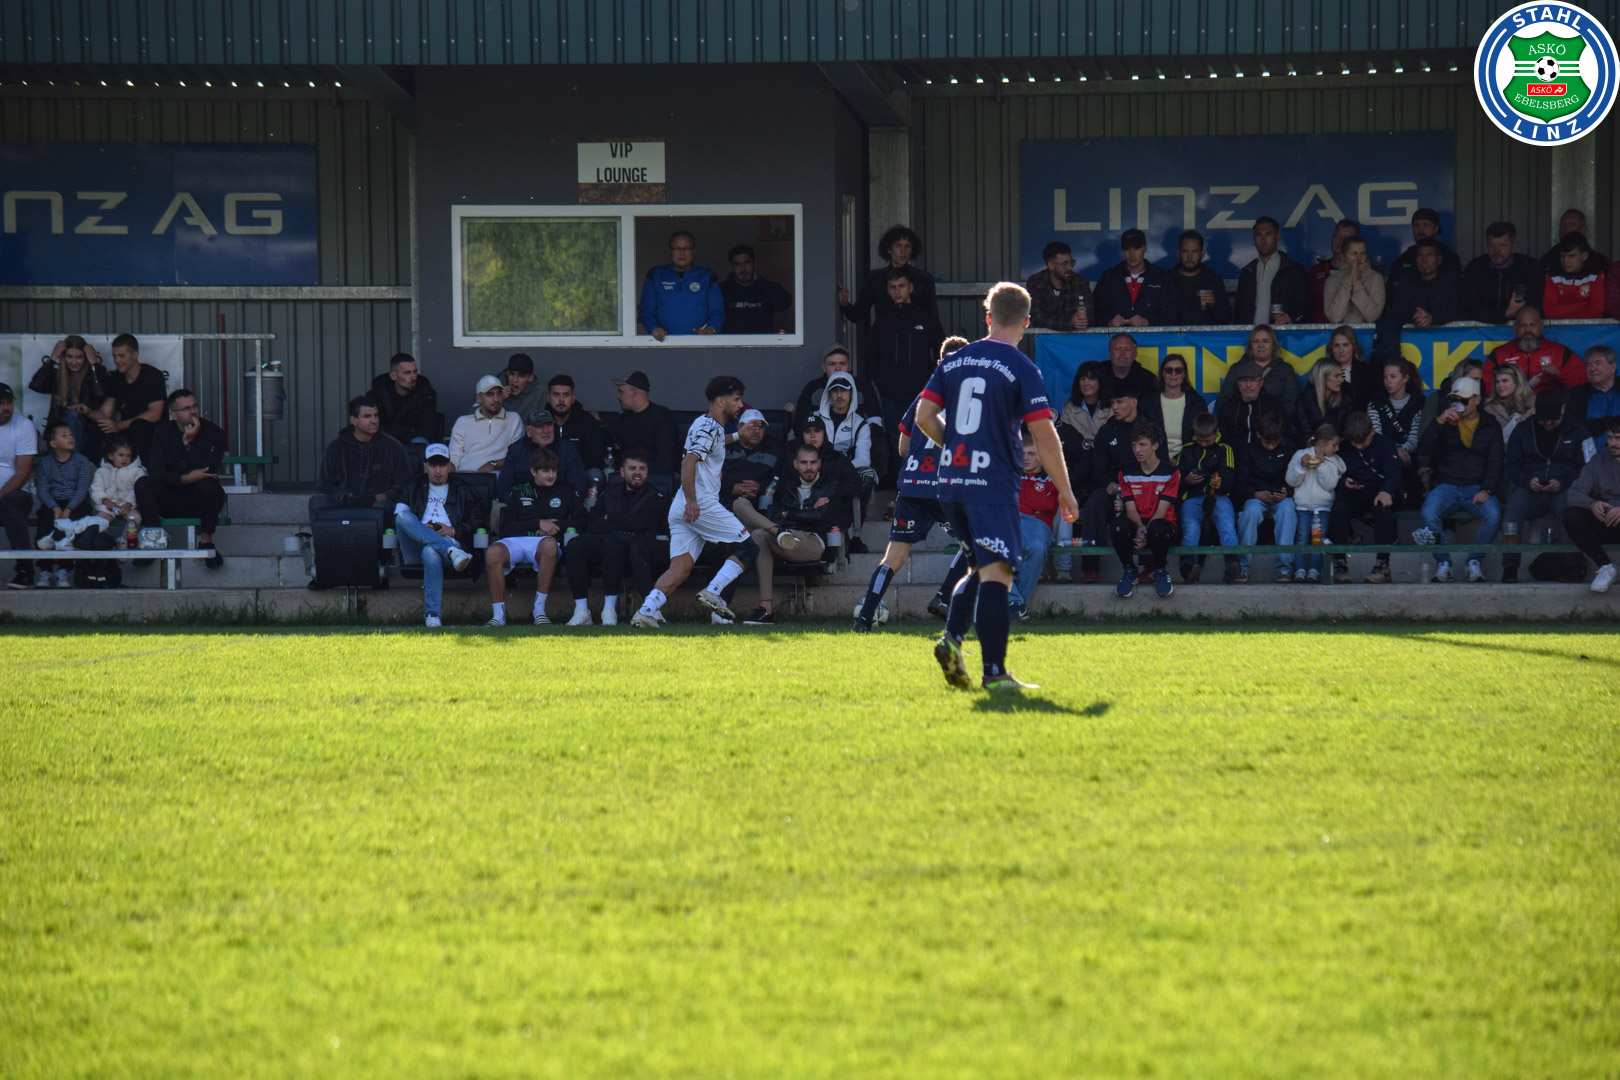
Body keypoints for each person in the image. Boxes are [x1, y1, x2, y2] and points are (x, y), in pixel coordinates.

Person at [913, 282, 1077, 691]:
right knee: (998, 575)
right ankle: (995, 674)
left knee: (979, 567)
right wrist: (1066, 490)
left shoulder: (955, 361)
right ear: (1026, 321)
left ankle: (951, 640)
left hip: (952, 482)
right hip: (991, 485)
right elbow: (1044, 436)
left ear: (987, 317)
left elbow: (924, 416)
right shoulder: (1022, 367)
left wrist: (957, 447)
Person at [854, 337, 975, 632]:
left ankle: (864, 617)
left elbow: (903, 448)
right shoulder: (971, 398)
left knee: (894, 557)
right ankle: (943, 597)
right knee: (976, 541)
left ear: (939, 362)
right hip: (945, 485)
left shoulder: (925, 395)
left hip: (911, 485)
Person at [632, 376, 759, 628]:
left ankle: (646, 611)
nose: (740, 405)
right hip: (699, 505)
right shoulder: (710, 427)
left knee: (679, 568)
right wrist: (693, 501)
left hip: (682, 507)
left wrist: (737, 435)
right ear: (720, 401)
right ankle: (714, 591)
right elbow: (688, 462)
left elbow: (714, 443)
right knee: (748, 547)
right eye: (736, 400)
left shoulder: (705, 424)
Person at [741, 444, 851, 626]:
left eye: (813, 463)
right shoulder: (787, 487)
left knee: (760, 533)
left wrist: (789, 514)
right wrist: (807, 510)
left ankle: (777, 532)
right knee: (744, 512)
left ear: (819, 463)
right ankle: (766, 609)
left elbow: (820, 516)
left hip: (813, 540)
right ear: (795, 464)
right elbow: (773, 515)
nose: (809, 467)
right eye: (804, 463)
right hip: (786, 536)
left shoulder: (830, 485)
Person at [563, 449, 669, 626]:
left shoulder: (655, 495)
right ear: (622, 471)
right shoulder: (609, 492)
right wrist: (624, 521)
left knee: (613, 545)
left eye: (642, 468)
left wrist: (611, 518)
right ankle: (582, 610)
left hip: (634, 543)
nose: (637, 473)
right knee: (575, 545)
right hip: (604, 537)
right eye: (632, 468)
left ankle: (609, 609)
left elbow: (643, 524)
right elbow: (593, 523)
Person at [1413, 375, 1503, 583]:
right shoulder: (1446, 421)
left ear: (1477, 400)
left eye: (1463, 400)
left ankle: (1474, 561)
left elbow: (1496, 461)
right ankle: (1444, 563)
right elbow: (1423, 449)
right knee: (1428, 512)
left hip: (1477, 485)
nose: (1458, 404)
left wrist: (1487, 489)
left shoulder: (1490, 424)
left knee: (1494, 514)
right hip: (1448, 484)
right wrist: (1439, 422)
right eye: (1454, 399)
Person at [486, 448, 587, 626]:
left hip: (547, 544)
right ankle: (498, 616)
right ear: (533, 471)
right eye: (545, 470)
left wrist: (556, 526)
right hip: (517, 540)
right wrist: (538, 524)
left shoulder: (565, 490)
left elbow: (584, 521)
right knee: (493, 552)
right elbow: (507, 527)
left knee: (549, 544)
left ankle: (538, 611)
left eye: (554, 470)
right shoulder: (519, 490)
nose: (551, 475)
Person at [133, 388, 228, 568]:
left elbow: (209, 470)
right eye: (186, 409)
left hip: (198, 498)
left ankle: (206, 541)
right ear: (174, 415)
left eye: (194, 406)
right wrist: (183, 479)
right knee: (143, 484)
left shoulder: (214, 433)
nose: (193, 412)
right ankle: (154, 539)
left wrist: (189, 443)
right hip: (170, 495)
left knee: (209, 485)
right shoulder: (162, 432)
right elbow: (156, 471)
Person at [389, 443, 481, 628]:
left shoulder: (463, 489)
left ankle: (432, 615)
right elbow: (398, 519)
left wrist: (453, 530)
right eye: (433, 465)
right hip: (415, 546)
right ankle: (450, 551)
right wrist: (421, 528)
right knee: (403, 516)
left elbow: (478, 518)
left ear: (449, 466)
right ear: (425, 465)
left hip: (450, 539)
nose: (438, 470)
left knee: (430, 551)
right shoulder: (412, 486)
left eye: (442, 465)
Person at [1502, 388, 1587, 583]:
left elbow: (1587, 466)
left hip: (1565, 487)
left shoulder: (1578, 429)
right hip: (1531, 488)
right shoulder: (1523, 430)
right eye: (1543, 419)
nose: (1548, 423)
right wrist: (1527, 481)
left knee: (1570, 511)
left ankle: (1573, 564)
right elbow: (1512, 465)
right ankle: (1510, 566)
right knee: (1512, 511)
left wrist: (1564, 482)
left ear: (1563, 409)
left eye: (1553, 419)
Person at [867, 267, 946, 435]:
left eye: (901, 286)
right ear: (888, 290)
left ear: (910, 287)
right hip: (890, 395)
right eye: (893, 287)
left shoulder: (925, 318)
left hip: (921, 393)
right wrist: (881, 381)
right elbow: (871, 354)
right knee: (896, 442)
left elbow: (941, 349)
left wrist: (930, 379)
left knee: (923, 439)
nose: (897, 291)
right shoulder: (882, 321)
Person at [1330, 412, 1403, 583]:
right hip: (1354, 491)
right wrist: (1343, 483)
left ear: (1372, 432)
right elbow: (1333, 472)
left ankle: (1382, 564)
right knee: (1338, 508)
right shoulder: (1345, 447)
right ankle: (1340, 562)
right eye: (1354, 442)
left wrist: (1386, 491)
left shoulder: (1386, 444)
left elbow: (1394, 475)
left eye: (1362, 442)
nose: (1358, 446)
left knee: (1383, 508)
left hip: (1379, 490)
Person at [1110, 421, 1180, 598]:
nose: (1137, 450)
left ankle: (1160, 571)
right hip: (1138, 523)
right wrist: (1140, 527)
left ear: (1155, 445)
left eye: (1142, 444)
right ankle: (1129, 570)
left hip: (1162, 525)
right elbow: (1130, 510)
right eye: (1134, 445)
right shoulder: (1126, 472)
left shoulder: (1171, 473)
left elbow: (1162, 511)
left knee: (1158, 529)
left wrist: (1145, 532)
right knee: (1118, 526)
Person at [310, 395, 412, 514]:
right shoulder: (336, 448)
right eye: (367, 416)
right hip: (344, 503)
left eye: (376, 415)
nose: (374, 421)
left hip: (378, 503)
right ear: (354, 420)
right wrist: (341, 496)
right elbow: (325, 484)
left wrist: (384, 496)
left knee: (383, 506)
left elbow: (404, 482)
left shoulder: (393, 447)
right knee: (318, 501)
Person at [1175, 412, 1240, 584]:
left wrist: (1220, 484)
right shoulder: (1187, 449)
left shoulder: (1225, 449)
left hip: (1219, 496)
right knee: (1191, 529)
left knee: (1227, 526)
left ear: (1216, 432)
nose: (1203, 444)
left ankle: (1232, 564)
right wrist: (1187, 480)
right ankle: (1188, 567)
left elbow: (1230, 477)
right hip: (1192, 497)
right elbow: (1176, 478)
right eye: (1200, 440)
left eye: (1207, 441)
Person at [30, 420, 95, 588]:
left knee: (70, 529)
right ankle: (45, 570)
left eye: (71, 435)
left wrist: (68, 509)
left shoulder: (81, 461)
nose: (70, 438)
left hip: (76, 503)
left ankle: (64, 569)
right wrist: (55, 507)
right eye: (64, 436)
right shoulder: (46, 463)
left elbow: (82, 489)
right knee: (45, 525)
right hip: (53, 503)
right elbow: (42, 489)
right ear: (53, 443)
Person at [1235, 412, 1298, 584]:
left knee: (1288, 510)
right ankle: (1243, 567)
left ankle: (1284, 568)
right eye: (1267, 442)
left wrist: (1288, 492)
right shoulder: (1248, 450)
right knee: (1250, 512)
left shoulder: (1289, 448)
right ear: (1258, 435)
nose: (1270, 447)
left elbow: (1298, 478)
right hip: (1256, 496)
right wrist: (1254, 493)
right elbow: (1239, 483)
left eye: (1274, 443)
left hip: (1282, 497)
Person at [838, 225, 938, 330]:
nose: (903, 251)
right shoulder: (875, 279)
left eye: (907, 246)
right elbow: (857, 315)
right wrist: (845, 304)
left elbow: (933, 320)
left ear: (912, 250)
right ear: (889, 249)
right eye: (898, 246)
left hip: (916, 337)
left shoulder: (923, 279)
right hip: (885, 337)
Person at [1561, 417, 1620, 592]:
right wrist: (1592, 504)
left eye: (1618, 438)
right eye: (1610, 438)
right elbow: (1575, 492)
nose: (1613, 443)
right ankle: (1605, 566)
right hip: (1605, 519)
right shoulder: (1598, 461)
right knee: (1572, 516)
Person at [1007, 436, 1060, 619]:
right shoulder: (1009, 473)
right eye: (1022, 453)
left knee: (1037, 547)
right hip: (1009, 520)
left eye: (1031, 454)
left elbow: (1046, 504)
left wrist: (1021, 501)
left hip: (1037, 523)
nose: (1025, 458)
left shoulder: (1053, 477)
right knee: (988, 545)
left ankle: (1016, 603)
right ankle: (1016, 603)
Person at [1285, 423, 1345, 583]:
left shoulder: (1333, 462)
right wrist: (1301, 467)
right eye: (1334, 445)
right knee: (1302, 538)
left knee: (1319, 540)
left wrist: (1322, 465)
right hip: (1302, 507)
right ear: (1322, 443)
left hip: (1323, 508)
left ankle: (1314, 571)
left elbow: (1330, 485)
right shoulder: (1300, 455)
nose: (1337, 449)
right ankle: (1300, 570)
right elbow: (1291, 481)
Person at [638, 230, 724, 339]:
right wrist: (653, 328)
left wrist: (712, 328)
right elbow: (646, 310)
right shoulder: (656, 274)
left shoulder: (707, 276)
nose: (682, 253)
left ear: (694, 251)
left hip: (700, 342)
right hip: (664, 343)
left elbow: (717, 310)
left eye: (686, 248)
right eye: (677, 248)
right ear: (670, 251)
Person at [37, 336, 109, 463]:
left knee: (72, 422)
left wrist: (93, 364)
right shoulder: (57, 375)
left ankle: (72, 466)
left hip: (86, 428)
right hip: (60, 428)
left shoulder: (93, 374)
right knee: (67, 423)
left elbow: (100, 392)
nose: (74, 362)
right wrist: (53, 357)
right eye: (69, 357)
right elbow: (37, 385)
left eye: (79, 357)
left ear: (85, 357)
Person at [94, 333, 166, 461]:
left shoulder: (152, 375)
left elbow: (155, 414)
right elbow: (105, 413)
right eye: (114, 356)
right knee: (100, 427)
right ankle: (103, 469)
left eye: (121, 356)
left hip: (151, 431)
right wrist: (86, 411)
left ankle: (144, 469)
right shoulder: (116, 377)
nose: (117, 361)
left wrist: (120, 426)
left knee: (138, 426)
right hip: (126, 429)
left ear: (135, 354)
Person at [604, 371, 680, 491]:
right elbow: (604, 440)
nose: (618, 397)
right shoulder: (621, 421)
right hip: (628, 482)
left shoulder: (662, 418)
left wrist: (638, 471)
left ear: (634, 392)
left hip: (657, 482)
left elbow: (666, 461)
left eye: (621, 391)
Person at [1485, 306, 1584, 395]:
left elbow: (1581, 377)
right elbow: (1487, 382)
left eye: (1532, 325)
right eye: (1523, 325)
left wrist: (1559, 374)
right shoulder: (1500, 353)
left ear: (1541, 326)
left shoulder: (1559, 352)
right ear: (1515, 327)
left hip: (1547, 406)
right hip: (1511, 406)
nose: (1528, 330)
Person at [1368, 357, 1427, 504]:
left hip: (1410, 460)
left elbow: (1415, 439)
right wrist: (1394, 451)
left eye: (1393, 377)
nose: (1388, 381)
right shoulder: (1375, 402)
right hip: (1382, 457)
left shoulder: (1418, 403)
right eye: (1385, 377)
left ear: (1405, 378)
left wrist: (1401, 451)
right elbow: (1375, 435)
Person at [1461, 221, 1543, 324]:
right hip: (1479, 332)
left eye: (1502, 245)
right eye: (1491, 245)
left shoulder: (1530, 268)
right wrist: (1505, 314)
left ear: (1513, 246)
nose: (1496, 251)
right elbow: (1468, 308)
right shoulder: (1474, 268)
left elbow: (1536, 307)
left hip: (1520, 330)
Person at [497, 408, 585, 503]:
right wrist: (523, 504)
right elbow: (504, 489)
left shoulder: (567, 449)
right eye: (540, 426)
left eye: (549, 425)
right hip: (524, 504)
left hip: (559, 504)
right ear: (528, 431)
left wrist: (560, 504)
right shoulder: (516, 450)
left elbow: (578, 486)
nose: (546, 431)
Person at [1093, 228, 1178, 327]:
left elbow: (1171, 314)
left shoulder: (1161, 277)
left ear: (1145, 247)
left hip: (1152, 337)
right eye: (1127, 249)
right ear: (1122, 250)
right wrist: (1109, 322)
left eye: (1137, 248)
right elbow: (1095, 313)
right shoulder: (1109, 278)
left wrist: (1148, 322)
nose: (1132, 254)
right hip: (1116, 337)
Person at [0, 383, 40, 589]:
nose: (5, 408)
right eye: (0, 403)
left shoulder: (23, 425)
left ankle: (25, 572)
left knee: (9, 502)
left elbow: (23, 472)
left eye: (8, 403)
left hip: (17, 494)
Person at [1234, 217, 1309, 325]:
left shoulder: (1294, 270)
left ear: (1278, 236)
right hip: (1251, 334)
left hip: (1282, 333)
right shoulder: (1247, 273)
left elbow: (1304, 306)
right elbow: (1238, 313)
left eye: (1268, 234)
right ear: (1254, 238)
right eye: (1258, 235)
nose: (1263, 240)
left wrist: (1291, 317)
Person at [1217, 328, 1299, 421]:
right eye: (1255, 341)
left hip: (1274, 426)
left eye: (1265, 341)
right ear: (1250, 346)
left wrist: (1275, 424)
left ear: (1273, 345)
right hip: (1241, 425)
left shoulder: (1285, 370)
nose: (1260, 345)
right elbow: (1222, 402)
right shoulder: (1237, 368)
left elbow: (1291, 404)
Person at [448, 375, 523, 473]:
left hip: (495, 475)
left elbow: (518, 456)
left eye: (499, 393)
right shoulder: (462, 422)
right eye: (490, 394)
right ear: (479, 398)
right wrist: (450, 469)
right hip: (465, 474)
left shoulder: (513, 419)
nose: (496, 399)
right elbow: (454, 456)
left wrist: (494, 463)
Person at [793, 345, 881, 426]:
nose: (838, 368)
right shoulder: (812, 388)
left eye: (842, 363)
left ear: (849, 366)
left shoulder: (863, 387)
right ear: (824, 367)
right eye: (832, 364)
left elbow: (875, 421)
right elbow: (800, 423)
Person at [1385, 237, 1463, 328]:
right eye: (1420, 256)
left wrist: (1432, 318)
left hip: (1446, 334)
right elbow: (1397, 313)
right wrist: (1417, 318)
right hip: (1413, 334)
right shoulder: (1406, 281)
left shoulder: (1451, 281)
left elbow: (1458, 313)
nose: (1424, 261)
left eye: (1429, 255)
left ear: (1439, 260)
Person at [545, 374, 607, 487]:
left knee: (595, 475)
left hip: (578, 477)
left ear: (573, 398)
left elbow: (594, 460)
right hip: (546, 476)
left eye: (566, 395)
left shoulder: (587, 422)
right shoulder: (540, 423)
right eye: (556, 395)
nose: (561, 400)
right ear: (548, 398)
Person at [1217, 359, 1290, 451]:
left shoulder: (1274, 405)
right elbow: (1222, 440)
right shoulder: (1227, 408)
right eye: (1244, 380)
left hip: (1266, 455)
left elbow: (1286, 436)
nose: (1248, 385)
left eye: (1253, 380)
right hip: (1235, 456)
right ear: (1238, 383)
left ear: (1261, 383)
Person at [718, 245, 792, 334]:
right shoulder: (721, 290)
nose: (743, 269)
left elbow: (784, 304)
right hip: (730, 342)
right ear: (731, 268)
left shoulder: (768, 287)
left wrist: (760, 282)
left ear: (755, 265)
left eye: (747, 263)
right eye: (738, 264)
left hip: (763, 342)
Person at [370, 352, 440, 444]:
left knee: (419, 442)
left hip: (414, 442)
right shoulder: (379, 394)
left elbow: (427, 428)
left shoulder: (425, 392)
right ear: (393, 376)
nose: (413, 377)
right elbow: (376, 428)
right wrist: (407, 429)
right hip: (386, 442)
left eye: (415, 372)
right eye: (407, 373)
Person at [1026, 240, 1097, 330]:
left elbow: (1090, 318)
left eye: (1071, 263)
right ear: (1051, 265)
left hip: (1076, 338)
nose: (1070, 267)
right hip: (1045, 339)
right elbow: (1036, 318)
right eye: (1064, 264)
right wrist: (1069, 323)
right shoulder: (1036, 283)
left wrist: (1081, 322)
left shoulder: (1080, 283)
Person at [89, 436, 145, 547]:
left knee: (136, 518)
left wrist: (128, 504)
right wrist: (106, 501)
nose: (124, 459)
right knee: (98, 521)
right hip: (108, 506)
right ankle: (107, 541)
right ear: (111, 456)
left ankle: (124, 540)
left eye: (128, 455)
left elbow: (138, 490)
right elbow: (96, 489)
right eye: (121, 455)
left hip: (129, 507)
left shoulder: (137, 471)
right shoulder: (101, 472)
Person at [1169, 229, 1234, 325]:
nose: (1190, 257)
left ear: (1202, 254)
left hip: (1205, 334)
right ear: (1178, 253)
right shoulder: (1167, 280)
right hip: (1175, 334)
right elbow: (1160, 318)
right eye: (1185, 251)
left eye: (1194, 252)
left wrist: (1214, 304)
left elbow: (1226, 318)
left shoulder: (1213, 280)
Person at [1306, 218, 1361, 323]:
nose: (1340, 241)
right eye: (1337, 236)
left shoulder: (1367, 273)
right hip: (1320, 332)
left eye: (1346, 238)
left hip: (1353, 331)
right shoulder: (1315, 272)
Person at [1322, 236, 1386, 324]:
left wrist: (1357, 284)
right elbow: (1334, 317)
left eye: (1362, 253)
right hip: (1341, 333)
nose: (1358, 258)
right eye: (1354, 253)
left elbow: (1372, 316)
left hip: (1368, 332)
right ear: (1343, 256)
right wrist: (1348, 281)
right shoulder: (1332, 281)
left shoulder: (1376, 278)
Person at [1542, 234, 1607, 319]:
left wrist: (1565, 314)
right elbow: (1550, 312)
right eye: (1562, 256)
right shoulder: (1553, 274)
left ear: (1584, 256)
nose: (1566, 261)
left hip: (1589, 327)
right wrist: (1583, 305)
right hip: (1558, 327)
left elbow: (1596, 311)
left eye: (1571, 256)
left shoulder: (1595, 274)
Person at [1156, 354, 1208, 461]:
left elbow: (1203, 436)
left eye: (1178, 370)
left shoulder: (1197, 402)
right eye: (1169, 370)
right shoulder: (1148, 402)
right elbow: (1143, 435)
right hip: (1155, 461)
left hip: (1189, 461)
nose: (1173, 374)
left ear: (1184, 374)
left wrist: (1181, 460)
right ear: (1162, 373)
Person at [1389, 207, 1463, 280]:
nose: (1420, 230)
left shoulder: (1449, 257)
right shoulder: (1405, 257)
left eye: (1426, 225)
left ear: (1436, 229)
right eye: (1416, 225)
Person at [1099, 333, 1161, 416]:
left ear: (1135, 354)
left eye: (1127, 349)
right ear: (1109, 353)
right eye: (1117, 349)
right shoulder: (1098, 374)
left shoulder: (1148, 379)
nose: (1122, 353)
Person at [1566, 345, 1620, 441]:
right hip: (1590, 448)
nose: (1592, 369)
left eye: (1598, 364)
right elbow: (1577, 427)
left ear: (1613, 367)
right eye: (1588, 365)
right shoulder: (1578, 394)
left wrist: (1597, 423)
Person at [1539, 209, 1610, 276]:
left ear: (1583, 229)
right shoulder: (1548, 260)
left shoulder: (1598, 262)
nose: (1565, 229)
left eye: (1571, 224)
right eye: (1562, 225)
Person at [1295, 357, 1353, 437]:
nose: (1341, 380)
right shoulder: (1304, 401)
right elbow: (1305, 432)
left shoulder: (1345, 400)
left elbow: (1347, 431)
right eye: (1336, 376)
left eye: (1341, 375)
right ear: (1322, 377)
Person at [1326, 325, 1377, 410]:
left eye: (1345, 345)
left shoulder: (1368, 371)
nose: (1341, 350)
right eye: (1336, 345)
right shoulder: (1323, 370)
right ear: (1331, 348)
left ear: (1354, 346)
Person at [1483, 364, 1535, 447]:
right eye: (1497, 382)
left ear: (1517, 382)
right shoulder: (1488, 408)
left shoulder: (1532, 404)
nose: (1500, 385)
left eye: (1504, 381)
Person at [498, 353, 544, 420]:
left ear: (530, 378)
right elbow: (482, 416)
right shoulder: (496, 386)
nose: (515, 380)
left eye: (521, 376)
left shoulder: (539, 391)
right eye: (512, 374)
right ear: (507, 373)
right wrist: (497, 400)